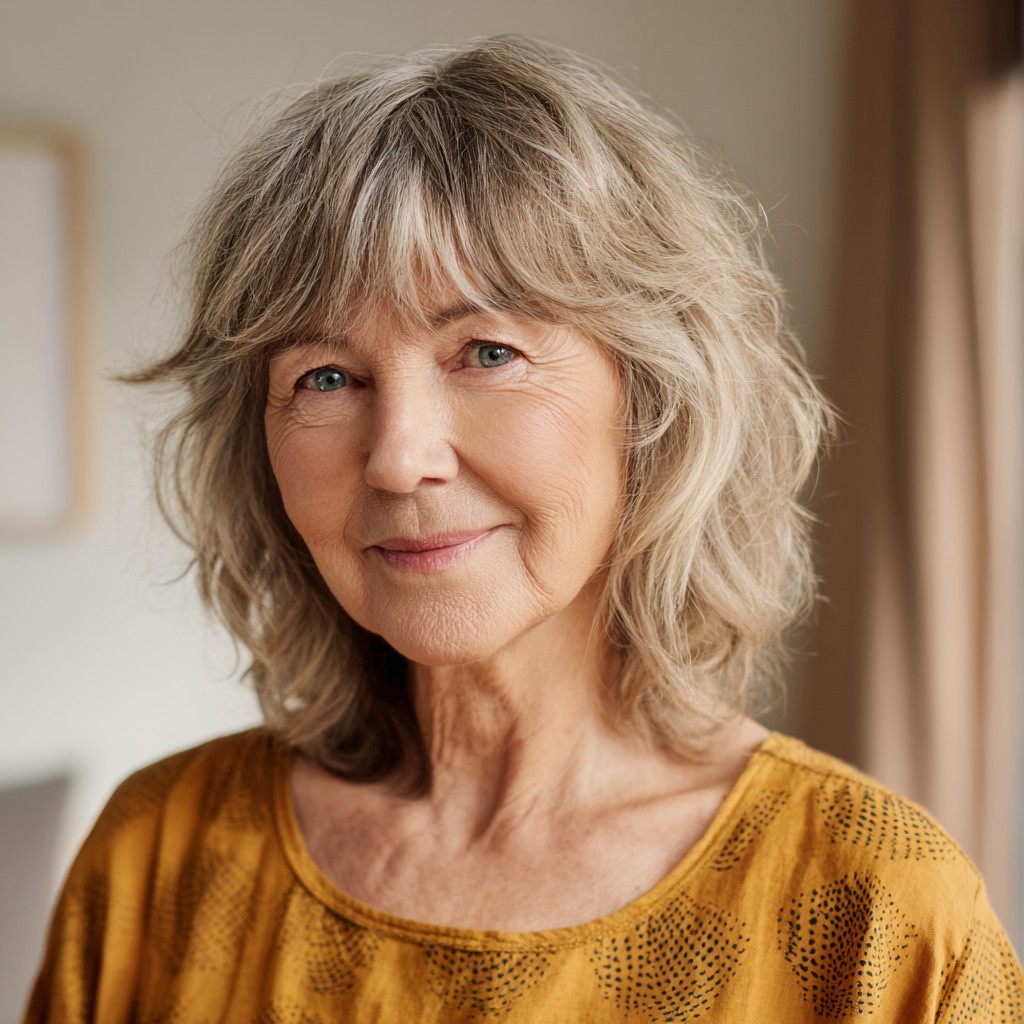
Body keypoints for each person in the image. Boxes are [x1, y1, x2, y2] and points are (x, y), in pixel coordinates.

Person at [23, 36, 1023, 1023]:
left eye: (486, 351)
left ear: (652, 402)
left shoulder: (880, 911)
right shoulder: (155, 859)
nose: (396, 456)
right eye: (323, 377)